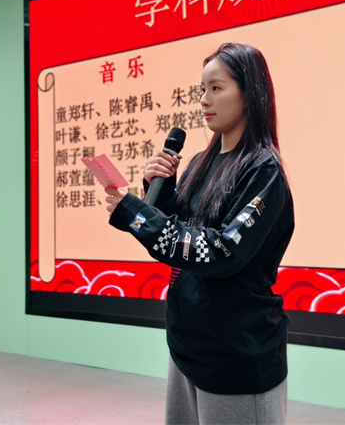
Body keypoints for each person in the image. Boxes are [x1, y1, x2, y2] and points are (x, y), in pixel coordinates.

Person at [104, 42, 294, 425]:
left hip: (235, 359)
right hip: (187, 348)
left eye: (216, 88)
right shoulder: (198, 163)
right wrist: (158, 194)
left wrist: (138, 216)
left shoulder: (263, 171)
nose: (204, 99)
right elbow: (182, 235)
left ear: (249, 94)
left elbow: (220, 251)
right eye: (202, 89)